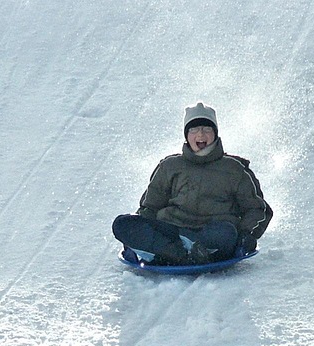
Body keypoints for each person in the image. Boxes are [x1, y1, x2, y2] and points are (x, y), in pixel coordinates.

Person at [113, 102, 273, 265]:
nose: (201, 134)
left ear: (215, 133)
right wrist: (138, 231)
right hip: (173, 230)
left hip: (211, 233)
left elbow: (257, 209)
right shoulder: (170, 166)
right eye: (194, 129)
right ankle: (179, 253)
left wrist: (248, 235)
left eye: (207, 129)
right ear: (186, 135)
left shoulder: (234, 169)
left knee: (227, 233)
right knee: (122, 223)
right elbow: (150, 207)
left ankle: (173, 252)